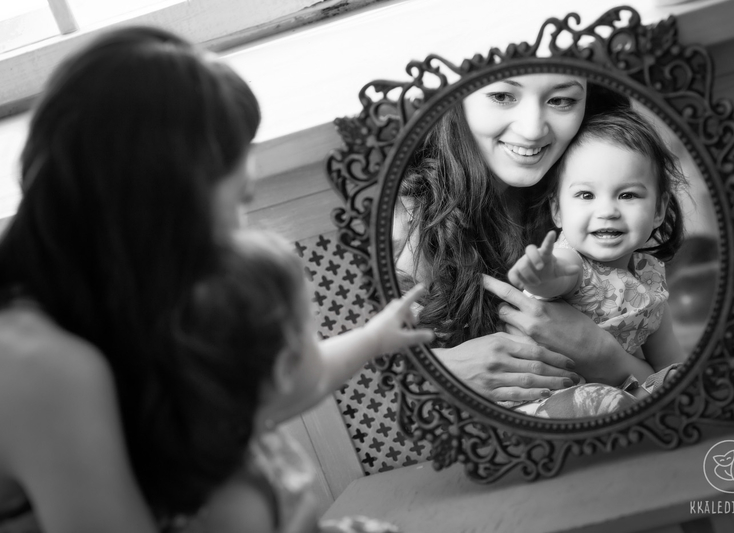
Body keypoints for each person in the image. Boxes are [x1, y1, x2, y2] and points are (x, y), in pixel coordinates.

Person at [0, 26, 430, 533]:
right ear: (160, 205)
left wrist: (372, 339)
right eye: (237, 205)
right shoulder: (37, 363)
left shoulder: (120, 291)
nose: (237, 236)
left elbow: (282, 388)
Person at [395, 73, 657, 409]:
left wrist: (601, 354)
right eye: (502, 96)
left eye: (561, 100)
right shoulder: (402, 219)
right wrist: (441, 370)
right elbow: (359, 367)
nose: (533, 130)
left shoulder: (594, 197)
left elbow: (657, 379)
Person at [177, 231, 430, 533]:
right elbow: (320, 374)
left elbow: (322, 372)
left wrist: (374, 337)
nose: (321, 343)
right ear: (285, 369)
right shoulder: (239, 500)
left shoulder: (246, 416)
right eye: (311, 329)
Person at [506, 108, 687, 415]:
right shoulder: (570, 259)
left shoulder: (651, 283)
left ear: (658, 209)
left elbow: (669, 362)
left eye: (627, 195)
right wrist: (542, 275)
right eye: (586, 195)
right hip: (538, 401)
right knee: (601, 400)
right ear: (557, 211)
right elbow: (562, 275)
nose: (607, 211)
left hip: (616, 393)